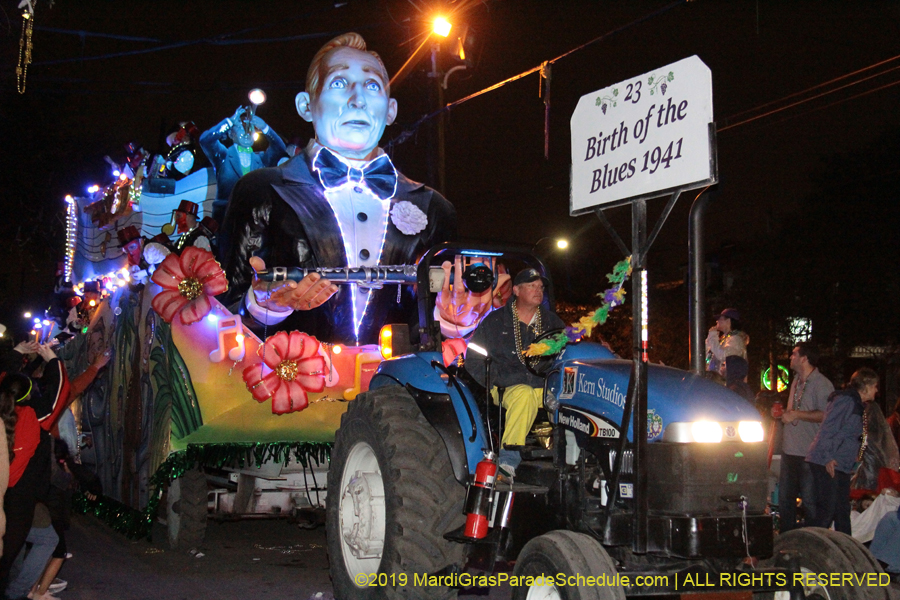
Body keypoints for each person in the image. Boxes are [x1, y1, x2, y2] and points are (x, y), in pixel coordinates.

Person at [219, 32, 459, 345]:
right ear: (306, 105)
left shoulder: (434, 208)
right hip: (287, 386)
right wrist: (263, 306)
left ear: (391, 110)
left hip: (398, 389)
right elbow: (222, 312)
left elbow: (437, 318)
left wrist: (455, 319)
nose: (358, 99)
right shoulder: (262, 191)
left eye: (372, 86)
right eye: (339, 83)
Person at [464, 268, 565, 480]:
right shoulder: (494, 322)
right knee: (524, 394)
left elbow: (564, 357)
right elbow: (474, 360)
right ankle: (508, 462)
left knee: (572, 402)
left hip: (545, 388)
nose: (538, 291)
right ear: (517, 290)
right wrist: (498, 379)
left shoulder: (552, 323)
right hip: (506, 387)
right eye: (532, 286)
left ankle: (570, 459)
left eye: (540, 287)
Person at [806, 367, 878, 535]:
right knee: (827, 511)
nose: (876, 390)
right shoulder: (846, 401)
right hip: (828, 462)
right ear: (866, 385)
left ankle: (845, 550)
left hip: (840, 465)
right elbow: (828, 429)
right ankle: (808, 546)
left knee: (841, 511)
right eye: (875, 385)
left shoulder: (857, 405)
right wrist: (828, 457)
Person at [200, 106, 288, 228]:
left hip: (254, 221)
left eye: (250, 128)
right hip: (226, 218)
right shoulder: (223, 156)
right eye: (241, 128)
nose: (247, 132)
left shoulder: (261, 160)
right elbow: (206, 140)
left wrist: (265, 127)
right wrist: (229, 122)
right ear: (231, 134)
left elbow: (279, 148)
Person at [778, 342, 834, 532]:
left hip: (809, 453)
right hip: (789, 450)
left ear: (804, 358)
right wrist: (782, 413)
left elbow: (826, 414)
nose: (790, 357)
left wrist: (797, 415)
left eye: (794, 354)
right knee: (786, 499)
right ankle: (786, 537)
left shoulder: (822, 383)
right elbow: (793, 411)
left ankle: (811, 539)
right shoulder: (796, 381)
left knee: (810, 500)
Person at [705, 308, 749, 381]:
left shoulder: (736, 340)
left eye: (720, 319)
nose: (717, 321)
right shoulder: (723, 340)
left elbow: (723, 356)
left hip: (726, 385)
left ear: (728, 321)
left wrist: (713, 336)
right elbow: (706, 356)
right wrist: (710, 338)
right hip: (716, 383)